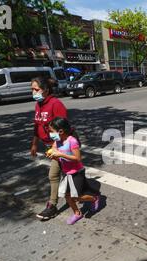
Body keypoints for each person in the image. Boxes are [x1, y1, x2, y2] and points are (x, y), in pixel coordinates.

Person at [46, 117, 101, 225]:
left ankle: (94, 198)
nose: (50, 134)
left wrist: (61, 154)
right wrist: (52, 155)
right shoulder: (57, 141)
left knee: (76, 196)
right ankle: (77, 213)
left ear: (60, 131)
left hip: (77, 172)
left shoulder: (72, 141)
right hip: (67, 173)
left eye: (51, 131)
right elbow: (55, 153)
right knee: (67, 196)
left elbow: (78, 158)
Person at [30, 77, 68, 221]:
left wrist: (54, 147)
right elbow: (37, 125)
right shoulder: (38, 105)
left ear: (45, 90)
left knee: (53, 175)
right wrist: (34, 143)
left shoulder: (55, 104)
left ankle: (52, 206)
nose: (33, 92)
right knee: (71, 173)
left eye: (36, 89)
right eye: (32, 89)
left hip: (62, 145)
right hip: (51, 146)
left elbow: (63, 130)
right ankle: (90, 193)